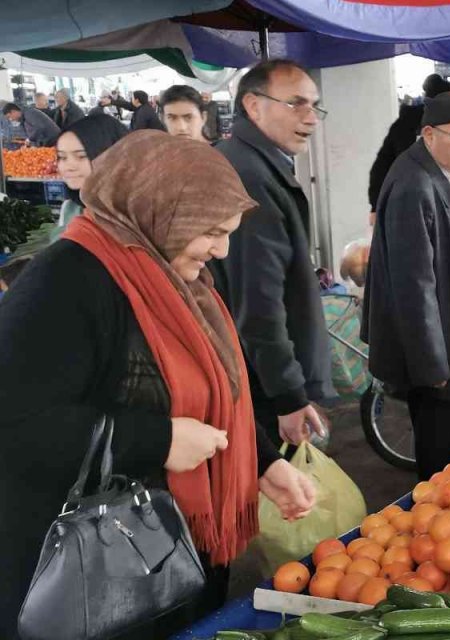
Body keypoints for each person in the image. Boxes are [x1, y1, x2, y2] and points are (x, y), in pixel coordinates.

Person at [0, 131, 317, 639]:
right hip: (94, 578)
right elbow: (18, 423)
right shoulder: (65, 282)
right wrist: (159, 441)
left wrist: (263, 463)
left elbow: (213, 392)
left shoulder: (176, 278)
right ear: (157, 210)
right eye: (211, 231)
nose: (222, 249)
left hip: (168, 557)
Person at [362, 92, 450, 480]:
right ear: (429, 134)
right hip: (440, 358)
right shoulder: (414, 186)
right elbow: (413, 288)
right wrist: (432, 365)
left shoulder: (434, 171)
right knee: (447, 458)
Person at [211, 59, 335, 448]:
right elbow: (259, 301)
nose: (310, 118)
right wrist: (288, 394)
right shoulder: (250, 177)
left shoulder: (251, 162)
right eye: (296, 103)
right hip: (259, 385)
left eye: (314, 106)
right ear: (253, 105)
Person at [368, 74, 450, 219]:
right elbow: (382, 166)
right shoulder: (410, 127)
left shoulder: (442, 125)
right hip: (410, 204)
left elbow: (380, 166)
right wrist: (376, 207)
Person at [51, 114, 129, 240]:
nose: (69, 167)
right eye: (62, 157)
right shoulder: (70, 209)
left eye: (81, 156)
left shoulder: (138, 213)